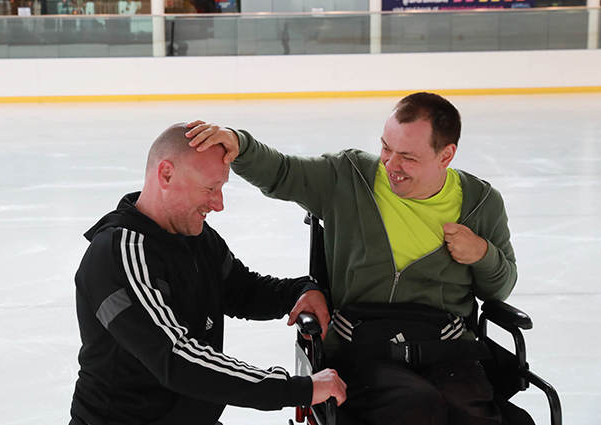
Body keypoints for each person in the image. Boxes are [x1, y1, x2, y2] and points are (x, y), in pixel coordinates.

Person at [186, 92, 518, 425]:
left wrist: (483, 255)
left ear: (446, 155)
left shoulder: (482, 203)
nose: (391, 165)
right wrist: (239, 145)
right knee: (418, 405)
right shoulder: (348, 177)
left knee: (472, 414)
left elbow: (499, 289)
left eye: (408, 157)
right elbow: (283, 173)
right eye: (386, 148)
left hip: (448, 349)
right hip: (363, 346)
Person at [69, 123, 347, 425]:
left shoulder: (196, 237)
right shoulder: (119, 253)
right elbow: (176, 359)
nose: (219, 204)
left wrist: (301, 291)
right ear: (166, 174)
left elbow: (244, 292)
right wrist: (298, 390)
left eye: (222, 188)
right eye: (210, 188)